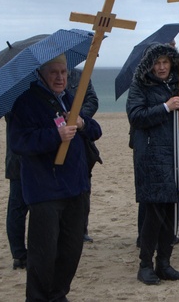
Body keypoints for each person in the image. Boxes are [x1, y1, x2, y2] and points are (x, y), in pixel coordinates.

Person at [8, 54, 102, 301]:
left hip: (76, 186)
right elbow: (19, 142)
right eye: (54, 73)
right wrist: (55, 135)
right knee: (43, 254)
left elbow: (95, 130)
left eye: (64, 72)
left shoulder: (69, 99)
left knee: (71, 251)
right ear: (41, 74)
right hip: (45, 190)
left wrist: (82, 123)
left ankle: (58, 295)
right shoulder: (26, 103)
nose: (61, 77)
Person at [127, 43, 179, 285]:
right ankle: (145, 264)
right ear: (150, 64)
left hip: (178, 155)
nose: (161, 67)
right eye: (157, 63)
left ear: (172, 64)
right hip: (152, 155)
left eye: (165, 62)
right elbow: (136, 116)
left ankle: (165, 263)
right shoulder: (141, 85)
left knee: (172, 211)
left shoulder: (178, 84)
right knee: (154, 213)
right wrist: (165, 107)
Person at [66, 68, 101, 243]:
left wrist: (78, 118)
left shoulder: (80, 76)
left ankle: (82, 229)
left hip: (81, 139)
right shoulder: (37, 78)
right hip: (58, 139)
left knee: (84, 188)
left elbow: (92, 100)